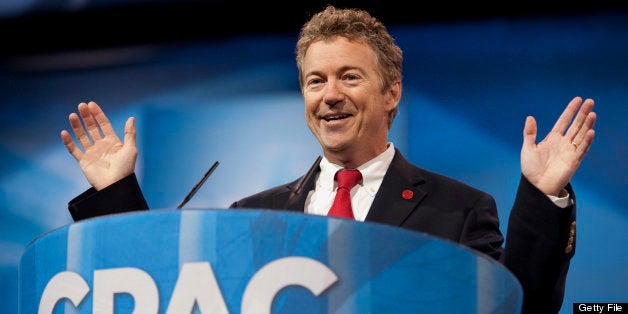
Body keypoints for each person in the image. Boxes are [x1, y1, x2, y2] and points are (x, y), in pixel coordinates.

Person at [60, 5, 596, 314]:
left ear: (391, 93)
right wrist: (116, 198)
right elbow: (173, 298)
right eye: (315, 81)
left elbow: (516, 306)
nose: (329, 95)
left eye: (349, 76)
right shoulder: (254, 215)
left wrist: (542, 198)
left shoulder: (458, 209)